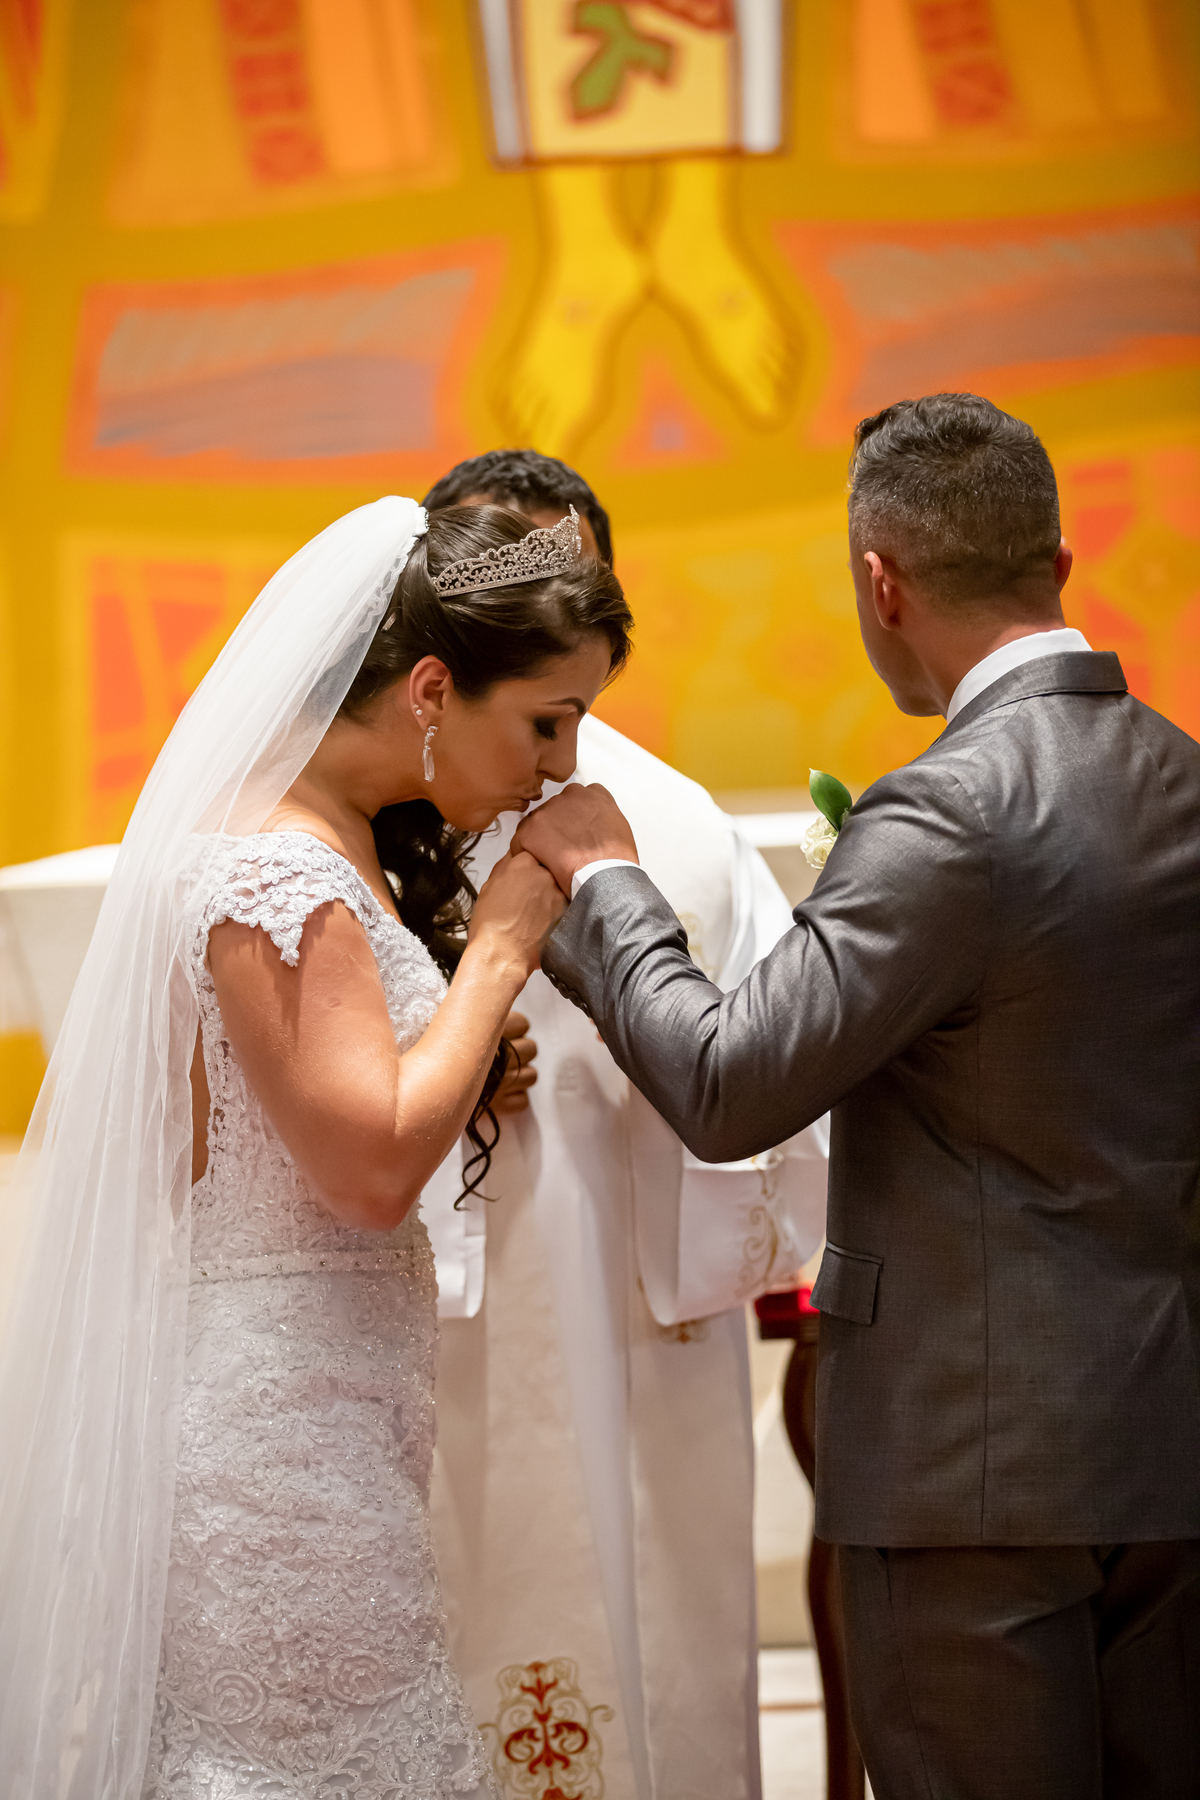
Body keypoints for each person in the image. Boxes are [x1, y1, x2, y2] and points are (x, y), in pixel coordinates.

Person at [515, 394, 1200, 1798]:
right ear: (1059, 562)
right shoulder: (1183, 779)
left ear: (881, 584)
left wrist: (605, 885)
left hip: (970, 1476)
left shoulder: (949, 809)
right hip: (1169, 1449)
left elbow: (728, 1080)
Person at [0, 497, 630, 1796]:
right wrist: (504, 942)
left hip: (318, 1414)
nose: (560, 764)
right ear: (433, 689)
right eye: (546, 721)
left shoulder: (318, 841)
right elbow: (366, 1173)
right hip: (283, 1449)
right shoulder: (283, 873)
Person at [417, 450, 828, 1800]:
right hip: (442, 1309)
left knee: (652, 1629)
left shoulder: (676, 821)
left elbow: (767, 1067)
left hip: (625, 1300)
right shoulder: (389, 805)